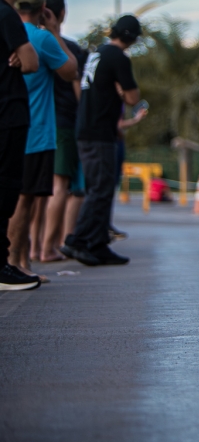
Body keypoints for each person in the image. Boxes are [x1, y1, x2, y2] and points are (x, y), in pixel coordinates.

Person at [62, 14, 142, 266]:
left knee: (100, 188)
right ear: (132, 38)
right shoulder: (118, 57)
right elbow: (133, 98)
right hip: (99, 133)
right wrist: (123, 92)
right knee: (100, 189)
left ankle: (97, 243)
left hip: (86, 128)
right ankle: (78, 240)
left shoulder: (97, 54)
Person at [7, 0, 75, 277]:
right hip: (36, 132)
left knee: (18, 200)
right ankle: (14, 263)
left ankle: (23, 261)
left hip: (12, 126)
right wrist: (55, 31)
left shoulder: (8, 33)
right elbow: (70, 70)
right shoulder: (41, 38)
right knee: (25, 202)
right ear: (43, 8)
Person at [0, 0, 42, 291]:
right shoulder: (7, 15)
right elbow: (30, 63)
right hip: (8, 113)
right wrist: (21, 55)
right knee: (6, 188)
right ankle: (3, 267)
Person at [39, 0, 87, 262]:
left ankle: (37, 245)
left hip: (38, 121)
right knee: (61, 186)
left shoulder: (29, 42)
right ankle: (50, 246)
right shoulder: (70, 49)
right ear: (62, 13)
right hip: (64, 122)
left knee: (37, 189)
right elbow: (77, 85)